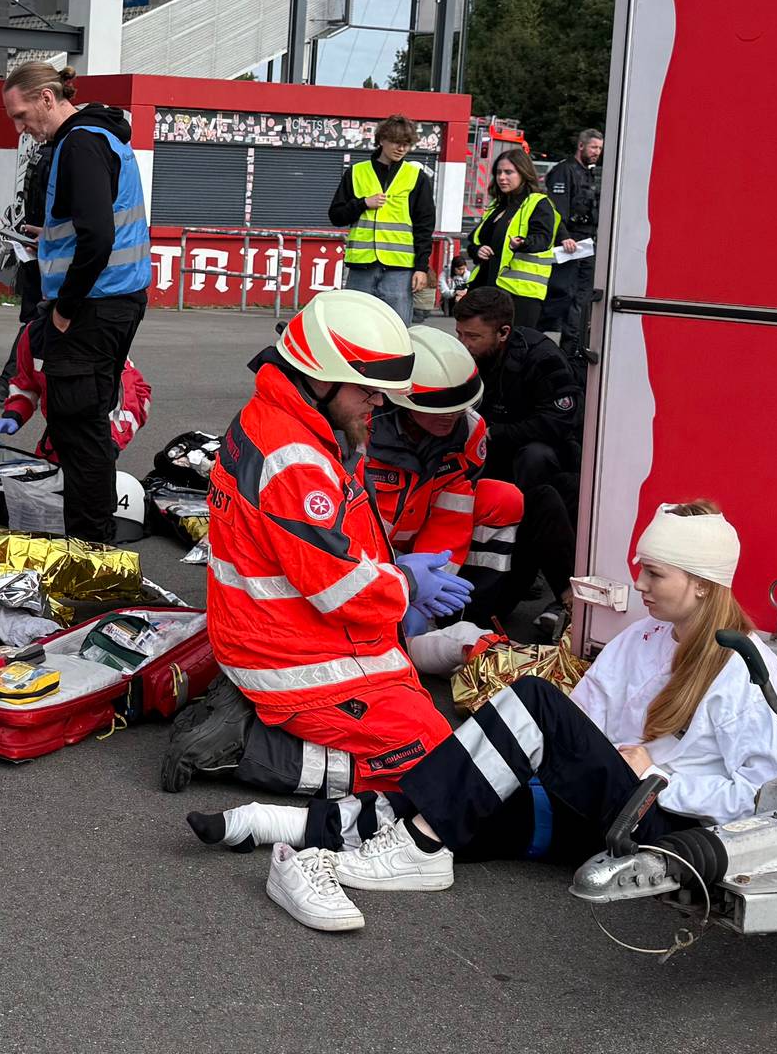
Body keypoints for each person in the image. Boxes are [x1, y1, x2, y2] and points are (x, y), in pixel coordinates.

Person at [185, 502, 777, 934]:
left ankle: (417, 849)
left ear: (700, 585)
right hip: (604, 806)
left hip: (664, 824)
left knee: (530, 702)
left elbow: (762, 799)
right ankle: (280, 825)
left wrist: (659, 776)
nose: (637, 582)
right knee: (467, 793)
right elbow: (579, 732)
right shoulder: (643, 639)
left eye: (654, 573)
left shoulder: (750, 672)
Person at [158, 290, 475, 799]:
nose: (378, 404)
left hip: (281, 632)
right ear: (322, 378)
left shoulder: (281, 417)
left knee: (438, 742)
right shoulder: (295, 457)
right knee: (433, 764)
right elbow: (340, 590)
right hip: (292, 652)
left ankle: (250, 711)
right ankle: (250, 748)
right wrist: (407, 583)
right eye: (368, 391)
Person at [0, 61, 150, 545]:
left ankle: (89, 552)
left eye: (23, 115)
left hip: (92, 309)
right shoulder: (99, 136)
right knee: (86, 434)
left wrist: (64, 307)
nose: (22, 129)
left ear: (47, 98)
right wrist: (51, 237)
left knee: (78, 435)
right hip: (115, 301)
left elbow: (98, 236)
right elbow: (94, 224)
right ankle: (94, 547)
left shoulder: (80, 143)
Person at [362, 326, 531, 648]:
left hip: (421, 540)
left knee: (503, 499)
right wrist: (397, 584)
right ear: (402, 399)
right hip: (365, 550)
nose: (451, 415)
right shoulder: (362, 430)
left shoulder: (469, 430)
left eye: (459, 403)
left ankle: (465, 613)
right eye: (440, 405)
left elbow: (451, 515)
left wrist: (432, 581)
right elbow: (347, 520)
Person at [453, 285, 582, 633]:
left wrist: (495, 433)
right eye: (459, 334)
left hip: (537, 459)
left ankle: (564, 593)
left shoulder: (541, 357)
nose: (464, 344)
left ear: (503, 332)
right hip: (479, 467)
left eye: (474, 336)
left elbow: (560, 420)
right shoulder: (458, 358)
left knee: (540, 472)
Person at [0, 315, 152, 465]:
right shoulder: (35, 334)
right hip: (57, 437)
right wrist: (15, 414)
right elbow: (25, 383)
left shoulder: (102, 337)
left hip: (96, 439)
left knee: (89, 497)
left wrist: (110, 441)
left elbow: (129, 402)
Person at [327, 116, 427, 323]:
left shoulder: (416, 176)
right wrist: (363, 203)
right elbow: (336, 216)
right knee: (356, 328)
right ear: (381, 139)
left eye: (407, 144)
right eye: (396, 142)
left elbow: (424, 226)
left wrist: (421, 267)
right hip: (361, 267)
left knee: (397, 331)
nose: (401, 148)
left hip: (399, 270)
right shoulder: (356, 172)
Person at [466, 147, 559, 333]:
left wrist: (523, 243)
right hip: (487, 289)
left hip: (520, 295)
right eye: (498, 172)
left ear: (523, 173)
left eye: (509, 172)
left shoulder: (538, 203)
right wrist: (477, 250)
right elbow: (474, 240)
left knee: (515, 350)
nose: (502, 177)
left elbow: (543, 239)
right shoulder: (496, 206)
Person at [542, 129, 603, 345]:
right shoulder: (564, 171)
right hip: (571, 243)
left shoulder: (589, 173)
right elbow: (557, 210)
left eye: (599, 148)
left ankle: (573, 345)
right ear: (581, 146)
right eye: (594, 147)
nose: (597, 152)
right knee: (563, 296)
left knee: (582, 297)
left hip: (587, 242)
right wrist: (564, 237)